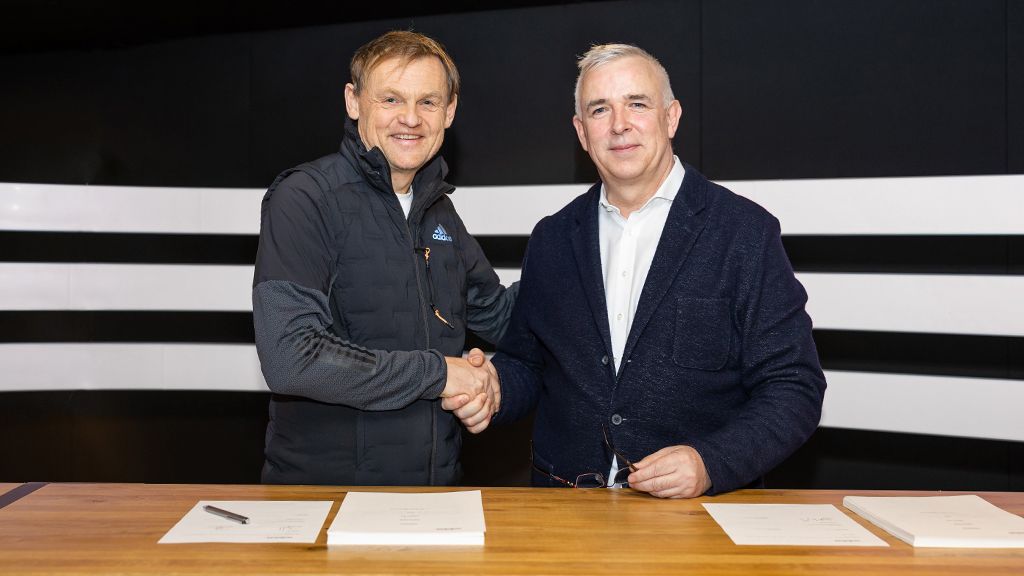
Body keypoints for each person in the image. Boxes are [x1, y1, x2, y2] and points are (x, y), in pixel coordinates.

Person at [456, 44, 825, 498]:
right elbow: (528, 363)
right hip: (564, 512)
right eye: (599, 109)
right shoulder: (552, 239)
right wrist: (493, 388)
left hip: (695, 521)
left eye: (637, 103)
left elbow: (795, 386)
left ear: (671, 117)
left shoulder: (744, 234)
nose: (619, 124)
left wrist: (710, 462)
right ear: (581, 132)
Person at [252, 30, 508, 486]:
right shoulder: (305, 198)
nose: (410, 119)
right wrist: (439, 374)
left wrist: (575, 253)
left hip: (435, 496)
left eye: (428, 102)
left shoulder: (439, 210)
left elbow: (503, 318)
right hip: (325, 503)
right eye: (390, 99)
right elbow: (290, 357)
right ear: (353, 102)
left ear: (449, 111)